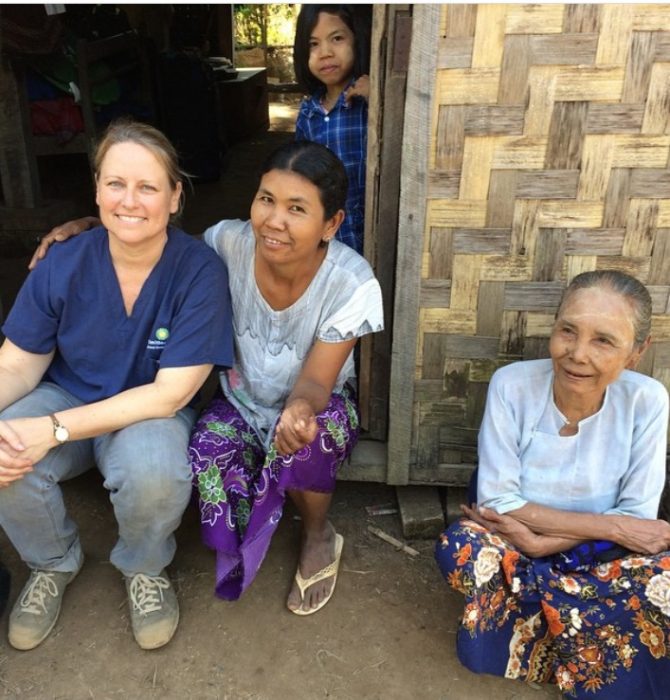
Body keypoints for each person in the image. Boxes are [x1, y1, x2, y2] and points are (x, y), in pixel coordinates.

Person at [30, 140, 384, 616]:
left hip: (313, 401)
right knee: (203, 451)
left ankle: (318, 531)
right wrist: (98, 228)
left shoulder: (352, 282)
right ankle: (245, 524)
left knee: (312, 440)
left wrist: (298, 412)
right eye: (266, 200)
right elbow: (159, 247)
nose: (274, 221)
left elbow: (317, 383)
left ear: (331, 223)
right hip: (240, 399)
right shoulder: (226, 242)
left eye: (297, 209)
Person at [0, 119, 233, 652]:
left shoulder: (199, 272)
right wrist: (28, 429)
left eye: (149, 186)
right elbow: (16, 366)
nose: (130, 201)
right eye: (115, 183)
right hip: (68, 393)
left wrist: (52, 431)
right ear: (96, 189)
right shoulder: (63, 261)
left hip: (149, 408)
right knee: (4, 442)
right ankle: (53, 561)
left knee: (156, 470)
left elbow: (170, 394)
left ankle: (144, 567)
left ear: (175, 197)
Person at [435, 270, 670, 698]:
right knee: (463, 548)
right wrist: (612, 527)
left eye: (604, 341)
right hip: (513, 541)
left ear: (636, 352)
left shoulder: (648, 400)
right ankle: (587, 632)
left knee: (665, 578)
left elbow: (638, 515)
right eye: (568, 331)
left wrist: (547, 542)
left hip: (595, 551)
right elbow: (496, 500)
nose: (577, 354)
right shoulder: (513, 386)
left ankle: (543, 632)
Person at [293, 4, 372, 255]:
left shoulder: (368, 101)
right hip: (326, 237)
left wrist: (379, 97)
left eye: (336, 38)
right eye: (313, 44)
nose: (324, 53)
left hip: (370, 231)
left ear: (357, 40)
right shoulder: (308, 114)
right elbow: (299, 177)